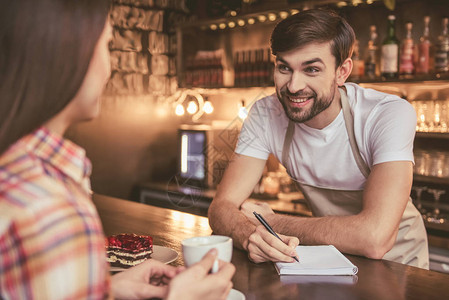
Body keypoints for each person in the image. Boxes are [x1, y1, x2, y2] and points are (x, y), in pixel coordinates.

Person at [0, 0, 234, 299]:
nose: (109, 70)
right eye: (107, 46)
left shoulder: (17, 169)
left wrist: (107, 289)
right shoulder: (47, 208)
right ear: (68, 52)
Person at [208, 8, 429, 269]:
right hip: (329, 263)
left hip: (400, 268)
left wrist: (270, 222)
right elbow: (221, 208)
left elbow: (374, 238)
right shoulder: (265, 113)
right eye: (284, 68)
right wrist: (248, 236)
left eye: (311, 69)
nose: (293, 85)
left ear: (342, 71)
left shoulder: (387, 113)